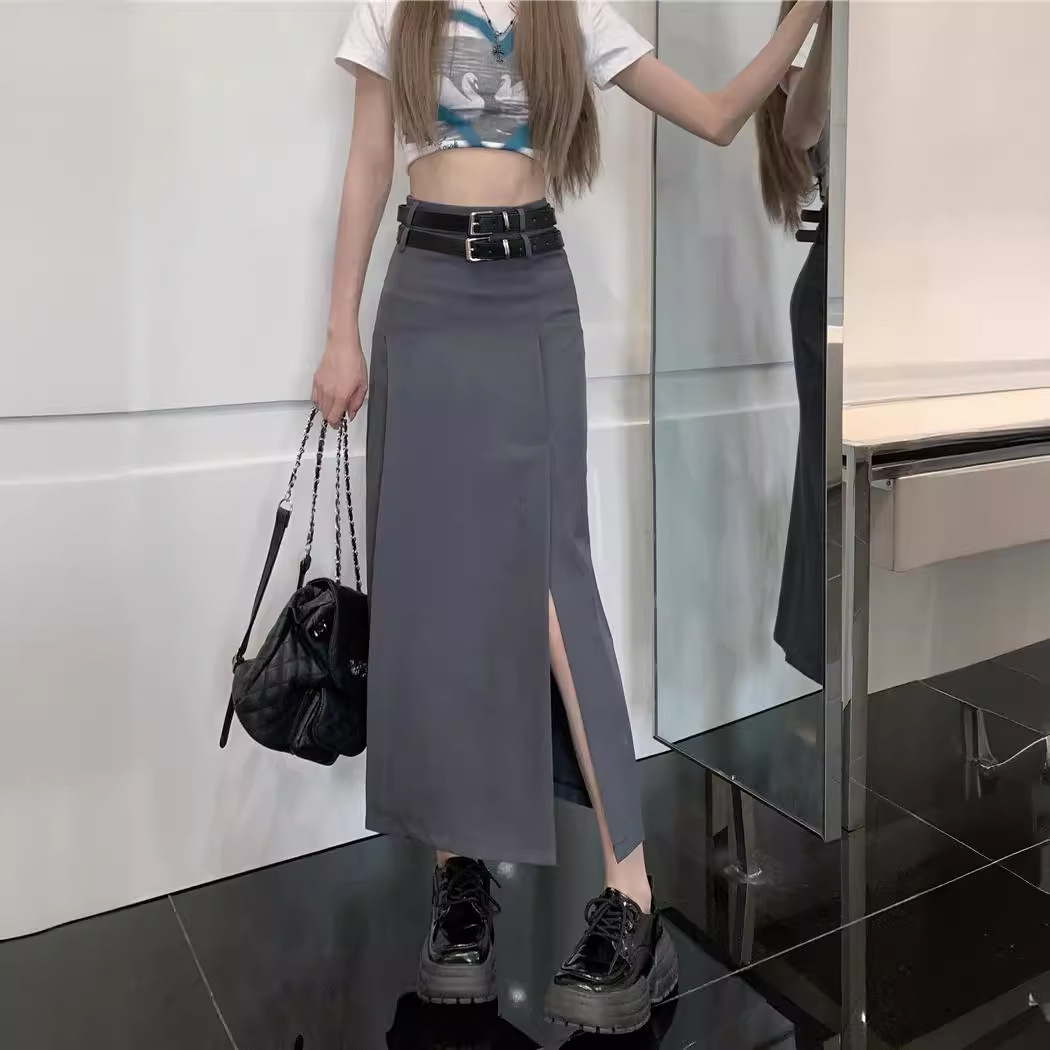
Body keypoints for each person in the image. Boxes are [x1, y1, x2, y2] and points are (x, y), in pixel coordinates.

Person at [315, 0, 826, 1034]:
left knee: (554, 586)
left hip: (530, 301)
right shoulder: (394, 8)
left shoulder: (571, 12)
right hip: (423, 296)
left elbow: (718, 116)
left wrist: (805, 18)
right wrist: (340, 332)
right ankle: (460, 884)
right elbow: (368, 163)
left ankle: (632, 897)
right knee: (441, 596)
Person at [756, 1, 832, 686]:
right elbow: (801, 127)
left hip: (903, 280)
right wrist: (833, 19)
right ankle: (828, 662)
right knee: (828, 483)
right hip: (839, 290)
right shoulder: (805, 45)